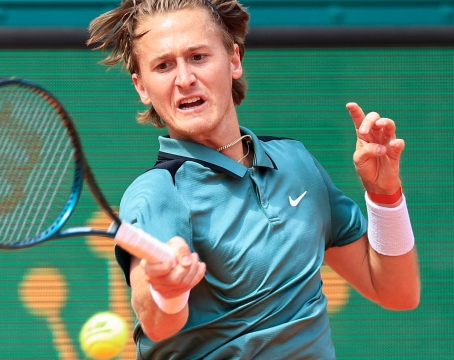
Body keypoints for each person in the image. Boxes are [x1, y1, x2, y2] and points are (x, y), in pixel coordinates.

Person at [87, 0, 420, 358]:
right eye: (164, 65)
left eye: (198, 56)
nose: (184, 79)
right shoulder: (155, 194)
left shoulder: (296, 163)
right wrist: (167, 291)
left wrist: (383, 193)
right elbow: (155, 321)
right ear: (141, 87)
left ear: (233, 60)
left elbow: (396, 292)